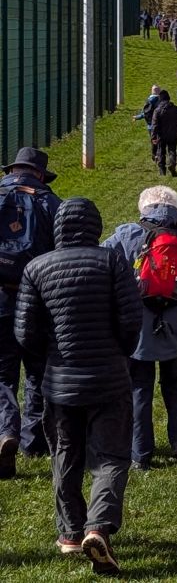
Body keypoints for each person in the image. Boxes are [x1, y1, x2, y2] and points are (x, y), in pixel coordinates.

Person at [15, 197, 142, 574]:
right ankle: (98, 526)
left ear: (58, 227)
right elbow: (131, 318)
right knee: (112, 456)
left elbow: (25, 332)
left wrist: (51, 356)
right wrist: (120, 352)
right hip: (109, 377)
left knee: (65, 456)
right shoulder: (111, 260)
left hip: (60, 381)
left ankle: (70, 533)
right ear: (95, 226)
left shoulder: (36, 267)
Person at [102, 187, 177, 473]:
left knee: (139, 388)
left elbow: (105, 264)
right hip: (176, 321)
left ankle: (140, 453)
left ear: (143, 208)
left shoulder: (125, 234)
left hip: (138, 322)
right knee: (175, 382)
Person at [0, 148, 59, 479]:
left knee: (1, 374)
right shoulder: (51, 203)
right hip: (36, 299)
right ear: (39, 174)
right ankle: (33, 440)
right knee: (37, 369)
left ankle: (5, 429)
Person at [150, 90, 177, 178]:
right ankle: (172, 164)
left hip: (161, 135)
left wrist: (153, 137)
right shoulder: (176, 109)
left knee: (161, 151)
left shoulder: (157, 110)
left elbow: (154, 125)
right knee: (172, 151)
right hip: (173, 134)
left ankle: (162, 171)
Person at [134, 85, 162, 166]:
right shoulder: (160, 101)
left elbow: (145, 113)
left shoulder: (149, 101)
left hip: (150, 126)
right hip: (159, 124)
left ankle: (154, 154)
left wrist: (137, 117)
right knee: (160, 140)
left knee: (153, 140)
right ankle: (159, 154)